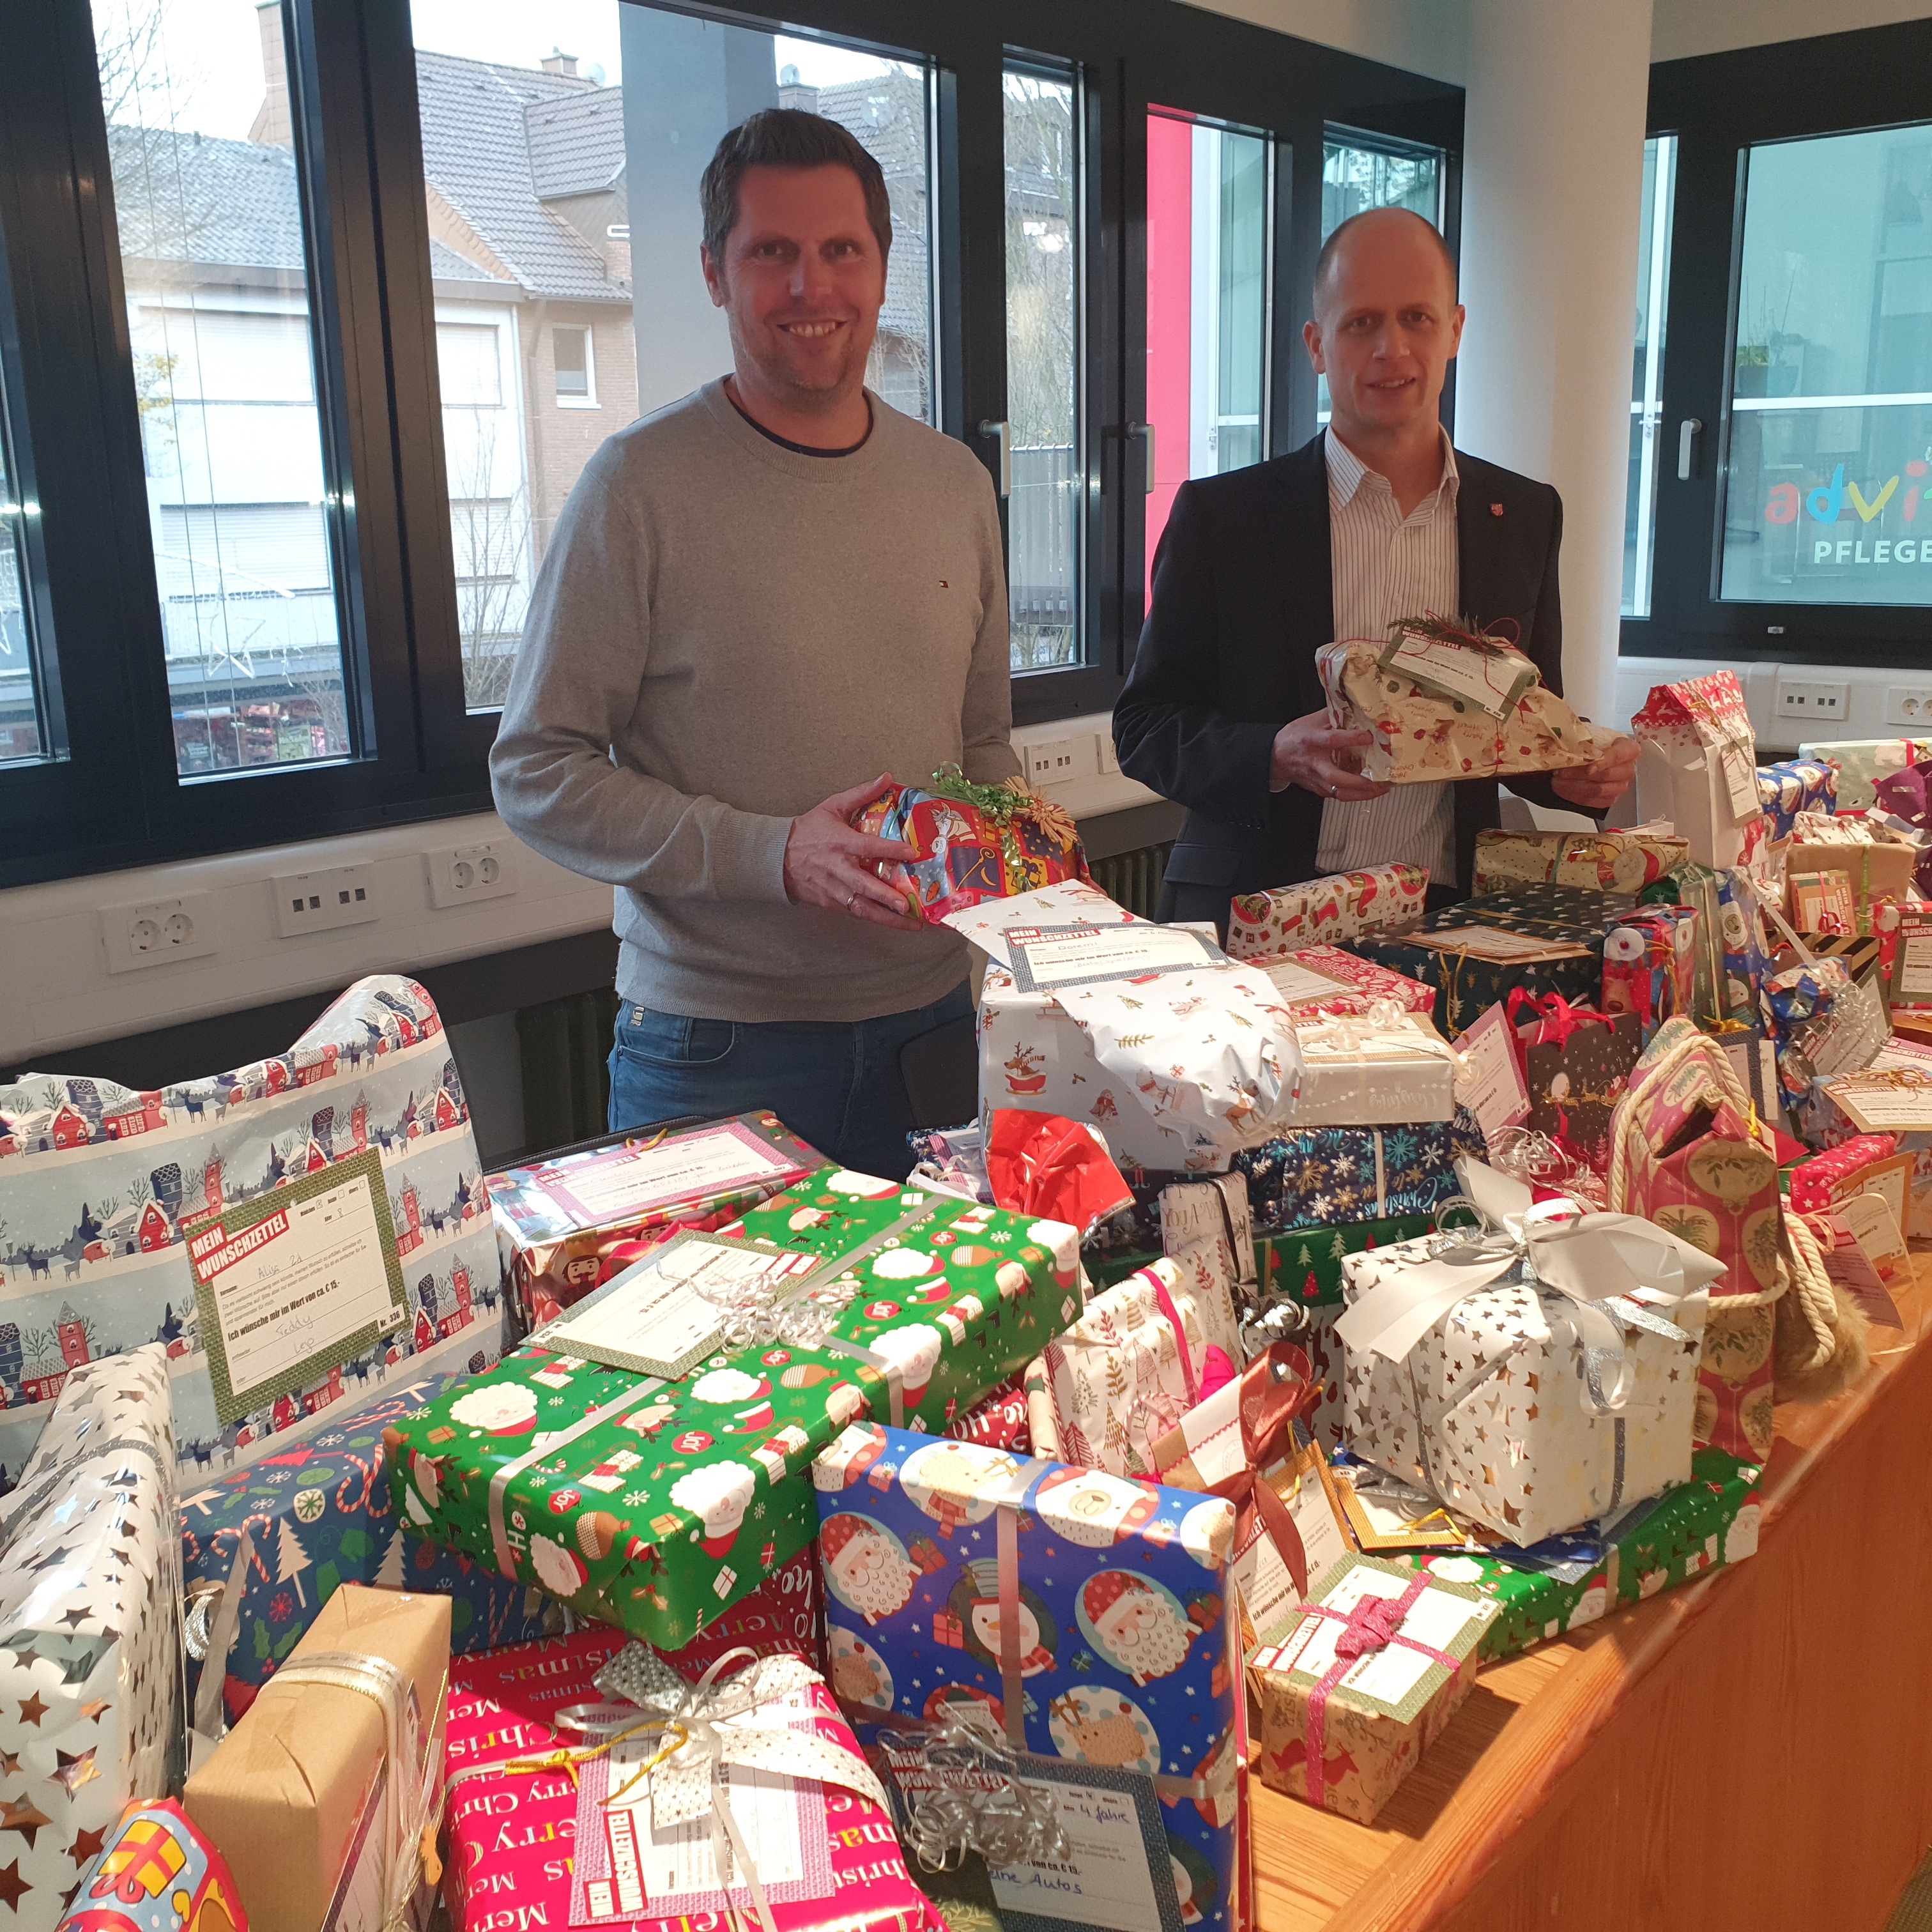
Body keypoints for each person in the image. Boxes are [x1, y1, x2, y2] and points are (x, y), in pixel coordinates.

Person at [491, 110, 1018, 1175]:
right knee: (724, 1351)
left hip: (932, 1029)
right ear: (713, 272)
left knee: (946, 1341)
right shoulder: (636, 487)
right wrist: (771, 851)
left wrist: (1024, 863)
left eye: (840, 251)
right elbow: (534, 769)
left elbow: (982, 749)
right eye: (770, 252)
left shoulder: (955, 485)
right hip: (713, 1052)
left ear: (878, 268)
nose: (808, 287)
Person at [1113, 206, 1638, 928]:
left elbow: (1520, 727)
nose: (1392, 348)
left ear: (1455, 329)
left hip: (1444, 921)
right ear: (1317, 345)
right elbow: (1145, 726)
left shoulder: (1524, 515)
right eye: (1361, 323)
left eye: (1417, 318)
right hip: (1261, 911)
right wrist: (1272, 752)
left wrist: (1579, 770)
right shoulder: (1223, 518)